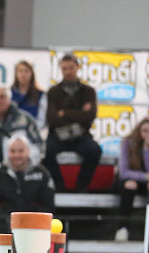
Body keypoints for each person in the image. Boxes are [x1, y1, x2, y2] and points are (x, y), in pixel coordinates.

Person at [43, 54, 101, 193]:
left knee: (94, 151)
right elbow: (52, 119)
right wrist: (78, 114)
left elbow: (89, 117)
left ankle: (81, 186)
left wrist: (65, 113)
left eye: (71, 68)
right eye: (64, 68)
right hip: (57, 135)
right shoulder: (53, 92)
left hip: (81, 135)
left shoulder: (88, 91)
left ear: (78, 68)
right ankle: (59, 186)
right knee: (45, 151)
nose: (68, 71)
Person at [0, 134, 55, 235]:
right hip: (5, 226)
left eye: (21, 151)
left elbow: (49, 205)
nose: (17, 155)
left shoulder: (42, 173)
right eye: (13, 151)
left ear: (28, 152)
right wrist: (7, 219)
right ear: (7, 153)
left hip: (35, 227)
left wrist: (31, 219)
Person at [117, 117, 149, 238]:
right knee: (130, 185)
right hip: (128, 181)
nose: (148, 134)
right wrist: (146, 176)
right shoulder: (128, 144)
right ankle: (123, 228)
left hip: (148, 184)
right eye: (145, 131)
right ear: (138, 131)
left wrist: (146, 149)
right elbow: (124, 172)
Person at [11, 60, 47, 130]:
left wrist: (31, 131)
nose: (23, 74)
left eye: (26, 71)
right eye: (20, 71)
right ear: (16, 74)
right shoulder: (9, 93)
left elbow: (42, 119)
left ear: (32, 74)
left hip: (33, 132)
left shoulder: (40, 95)